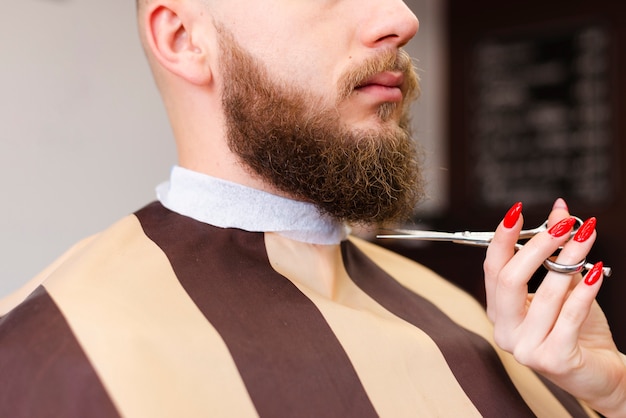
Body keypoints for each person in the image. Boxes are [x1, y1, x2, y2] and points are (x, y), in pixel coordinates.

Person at [1, 0, 625, 416]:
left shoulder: (483, 325)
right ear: (185, 38)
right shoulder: (52, 361)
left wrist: (615, 390)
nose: (402, 18)